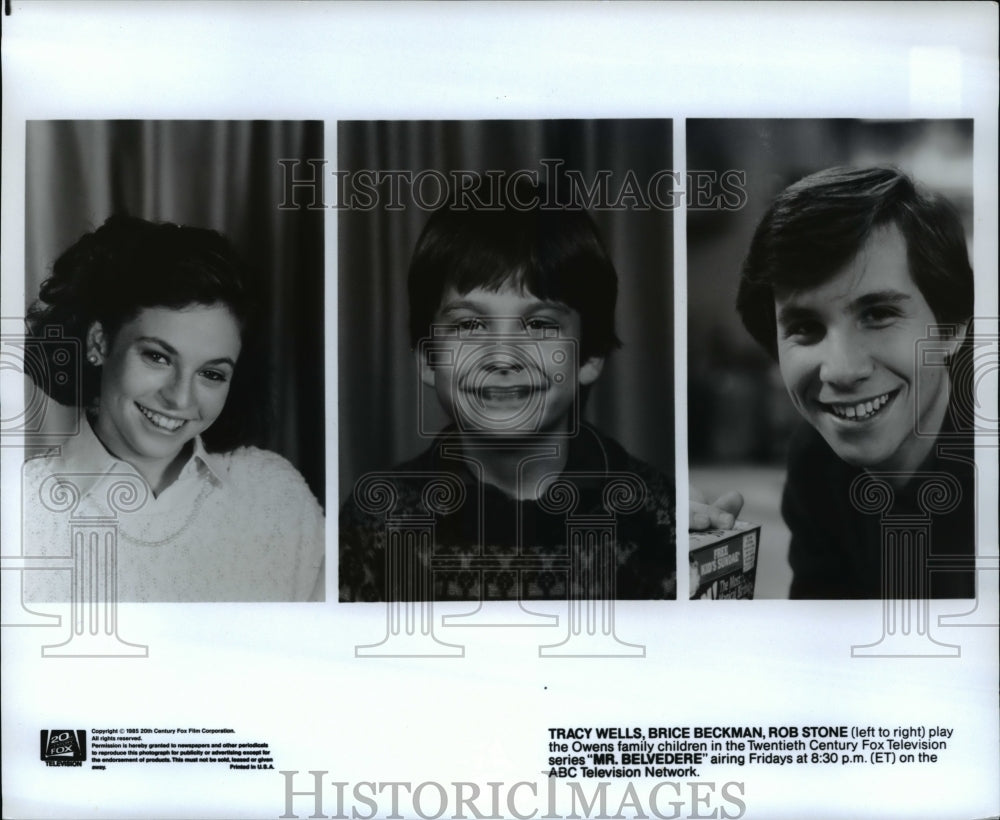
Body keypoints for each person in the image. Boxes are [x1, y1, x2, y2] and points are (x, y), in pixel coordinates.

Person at [340, 188, 686, 602]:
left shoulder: (659, 517)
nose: (502, 356)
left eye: (539, 325)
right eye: (469, 326)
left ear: (590, 355)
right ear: (427, 360)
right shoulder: (379, 517)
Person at [21, 215, 325, 602]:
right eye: (158, 357)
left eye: (211, 374)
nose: (181, 399)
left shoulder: (275, 496)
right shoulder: (22, 508)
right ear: (99, 343)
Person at [737, 166, 975, 599]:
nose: (841, 370)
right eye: (806, 327)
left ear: (953, 327)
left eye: (878, 314)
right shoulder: (814, 459)